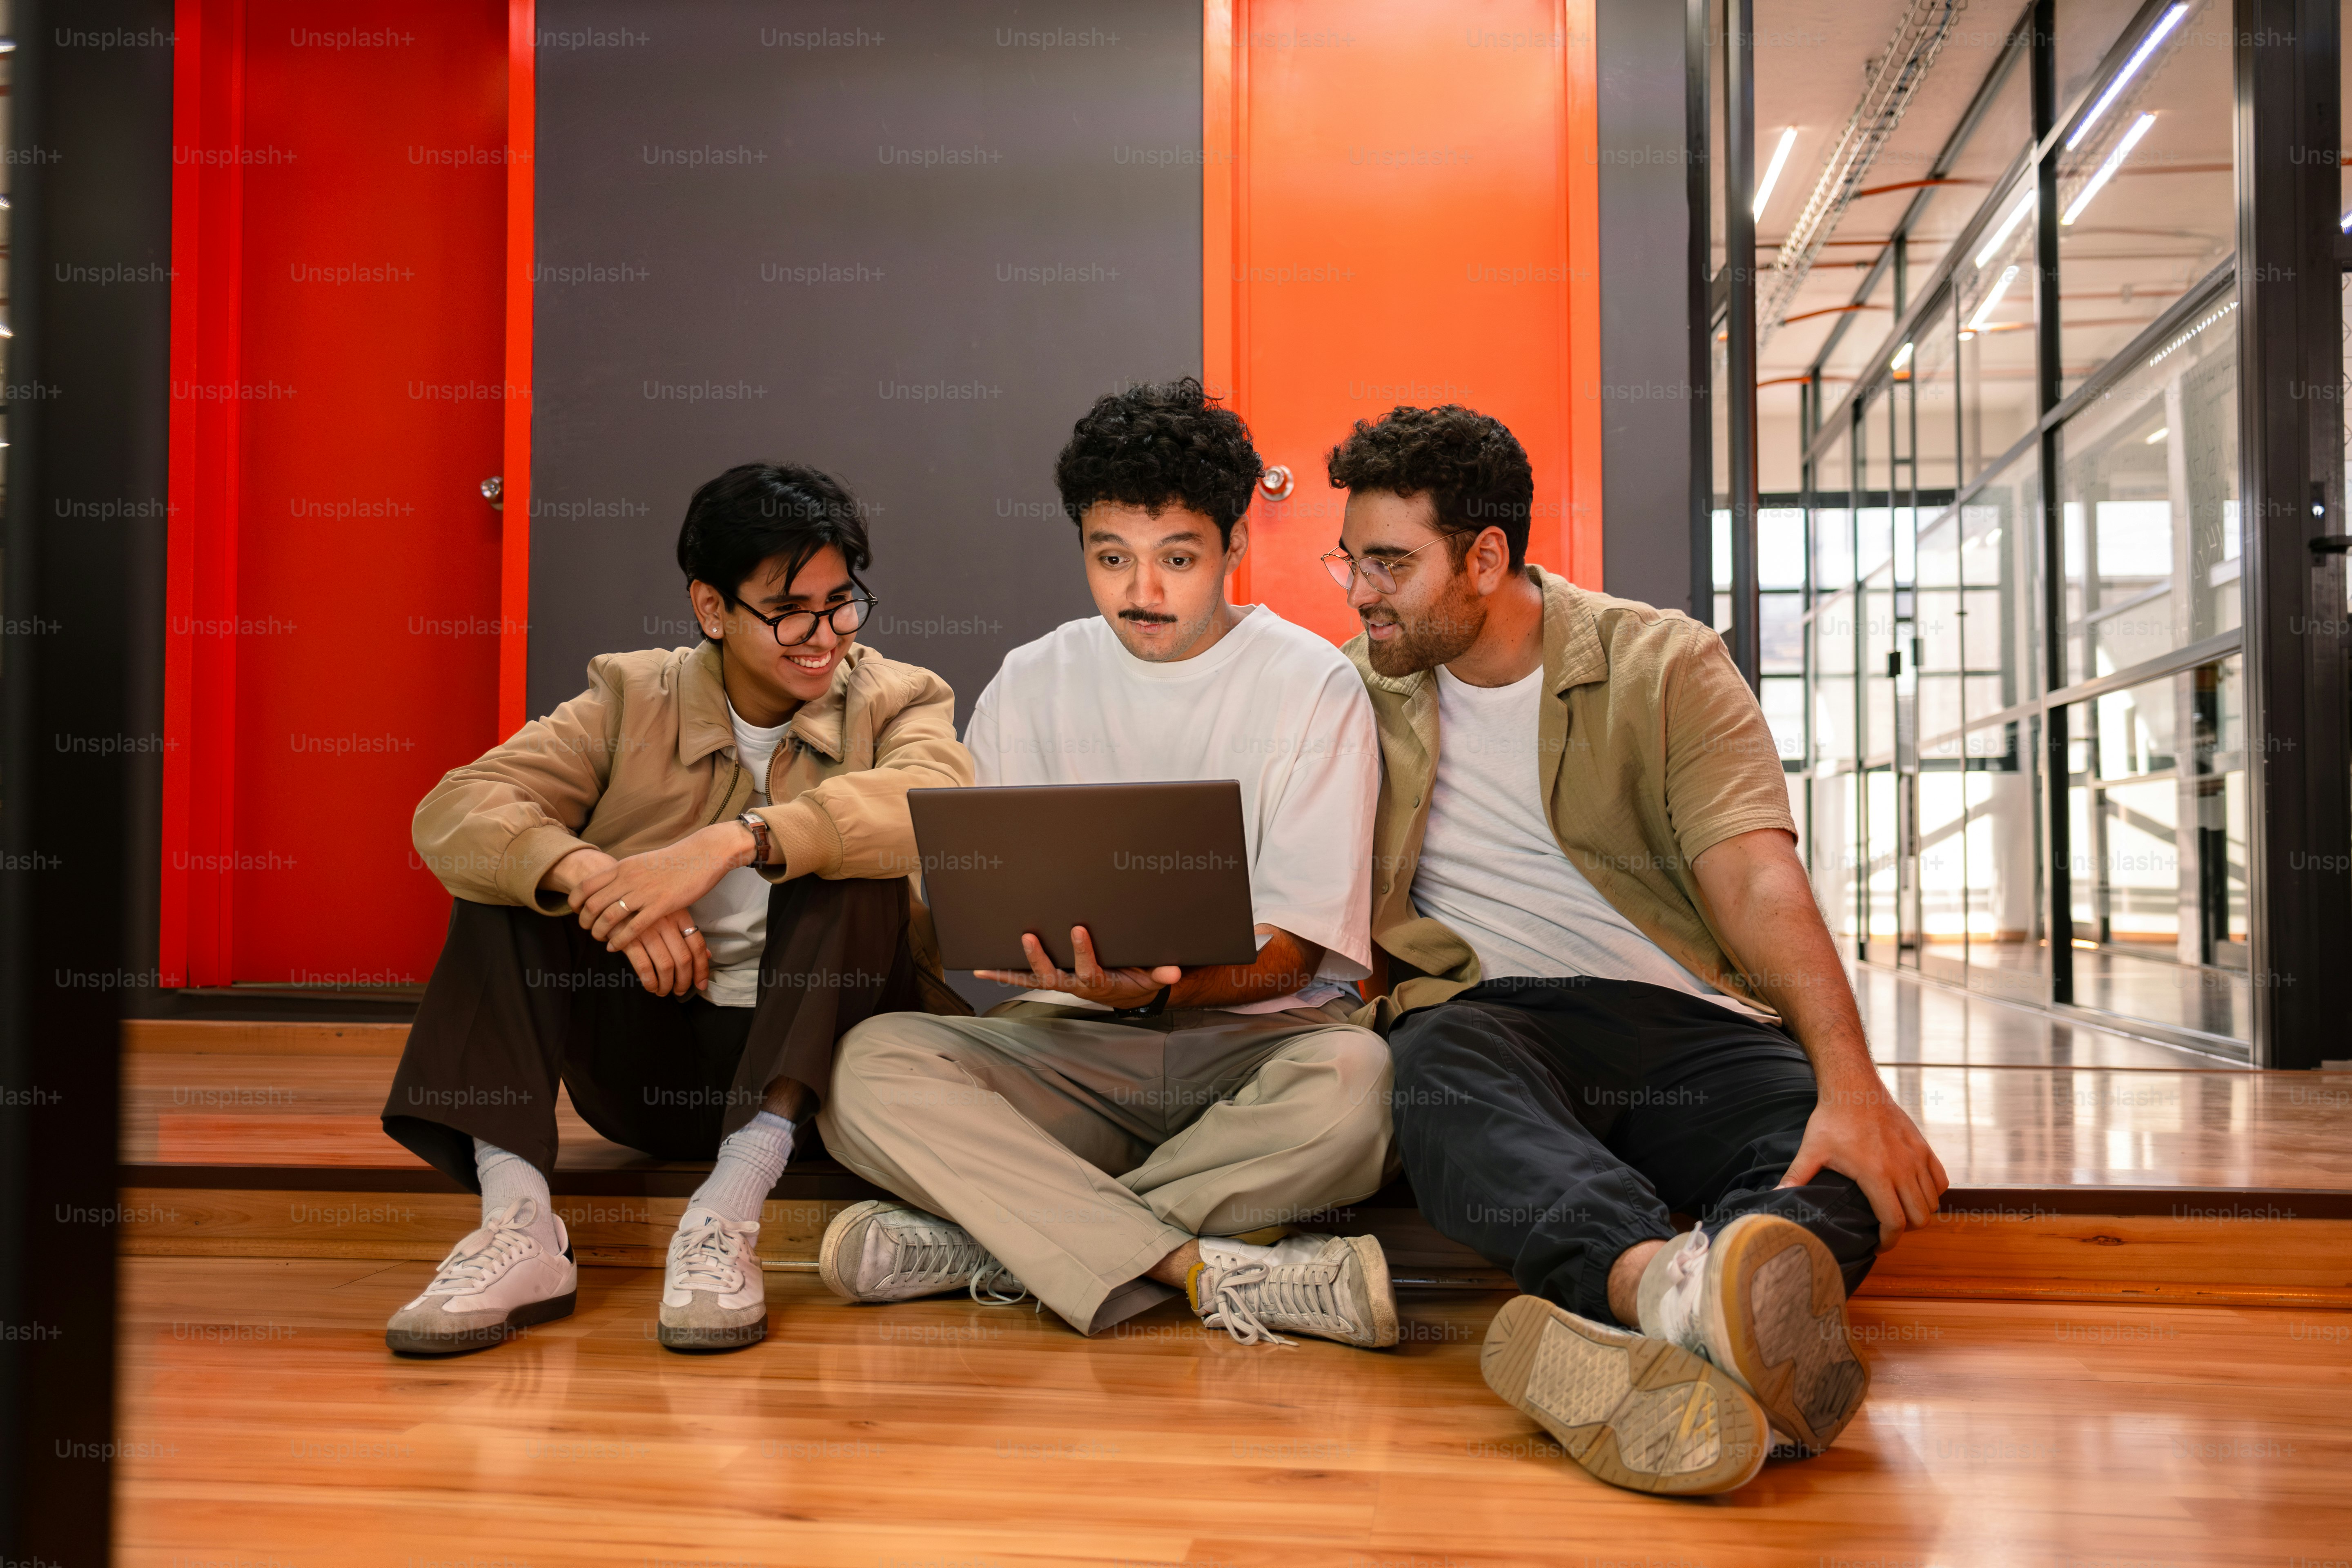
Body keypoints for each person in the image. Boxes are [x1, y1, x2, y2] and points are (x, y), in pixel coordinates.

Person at [1321, 405, 1949, 1493]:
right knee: (1429, 1077)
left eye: (1388, 562)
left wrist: (1855, 1088)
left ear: (1486, 558)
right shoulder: (1346, 693)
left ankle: (1655, 1351)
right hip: (1500, 1022)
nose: (1359, 589)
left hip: (1690, 1023)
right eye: (1351, 561)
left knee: (1830, 1151)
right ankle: (1669, 1298)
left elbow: (1755, 875)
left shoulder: (1663, 662)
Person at [814, 378, 1401, 1349]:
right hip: (1070, 1043)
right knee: (868, 1067)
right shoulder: (1034, 678)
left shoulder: (1314, 684)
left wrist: (1158, 998)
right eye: (1112, 558)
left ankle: (1000, 1243)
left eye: (1178, 558)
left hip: (1252, 1048)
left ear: (1236, 546)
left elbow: (1294, 959)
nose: (1144, 593)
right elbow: (966, 903)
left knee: (1363, 1087)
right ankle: (1192, 1265)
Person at [381, 462, 973, 1357]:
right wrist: (590, 876)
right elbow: (456, 809)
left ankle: (728, 1215)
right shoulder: (629, 697)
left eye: (841, 601)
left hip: (825, 1085)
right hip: (653, 1065)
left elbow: (933, 801)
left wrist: (733, 842)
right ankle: (519, 1228)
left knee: (858, 863)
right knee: (508, 875)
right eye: (789, 611)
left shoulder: (897, 698)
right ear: (711, 608)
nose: (824, 636)